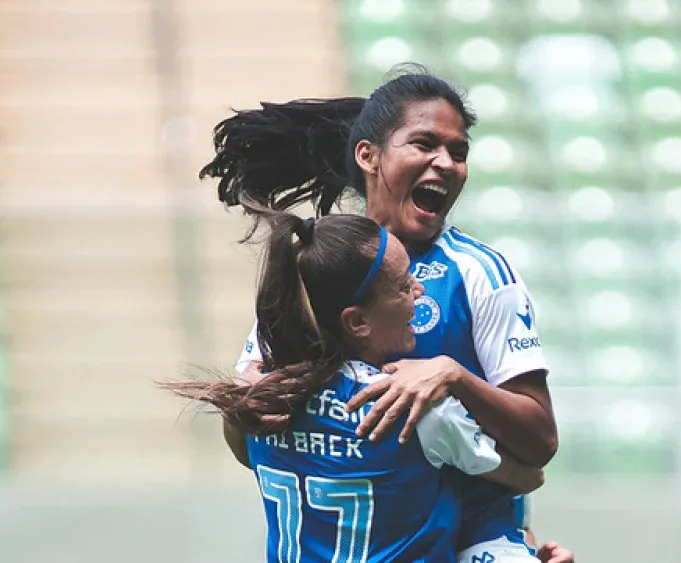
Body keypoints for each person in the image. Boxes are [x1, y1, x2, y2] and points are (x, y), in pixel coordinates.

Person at [203, 66, 574, 563]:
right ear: (368, 155)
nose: (446, 163)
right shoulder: (317, 264)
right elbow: (253, 429)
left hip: (475, 534)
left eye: (459, 152)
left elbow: (540, 442)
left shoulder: (480, 273)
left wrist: (453, 376)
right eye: (424, 144)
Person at [164, 208, 545, 562]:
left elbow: (246, 450)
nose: (419, 291)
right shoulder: (415, 410)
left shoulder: (263, 399)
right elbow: (527, 475)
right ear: (357, 322)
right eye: (401, 285)